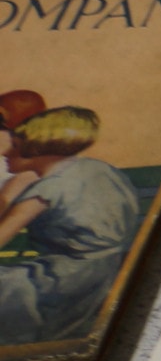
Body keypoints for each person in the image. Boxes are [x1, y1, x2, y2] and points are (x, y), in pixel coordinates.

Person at [0, 105, 143, 345]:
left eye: (14, 146)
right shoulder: (101, 170)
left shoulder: (45, 190)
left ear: (37, 148)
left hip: (62, 283)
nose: (5, 153)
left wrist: (7, 196)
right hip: (106, 273)